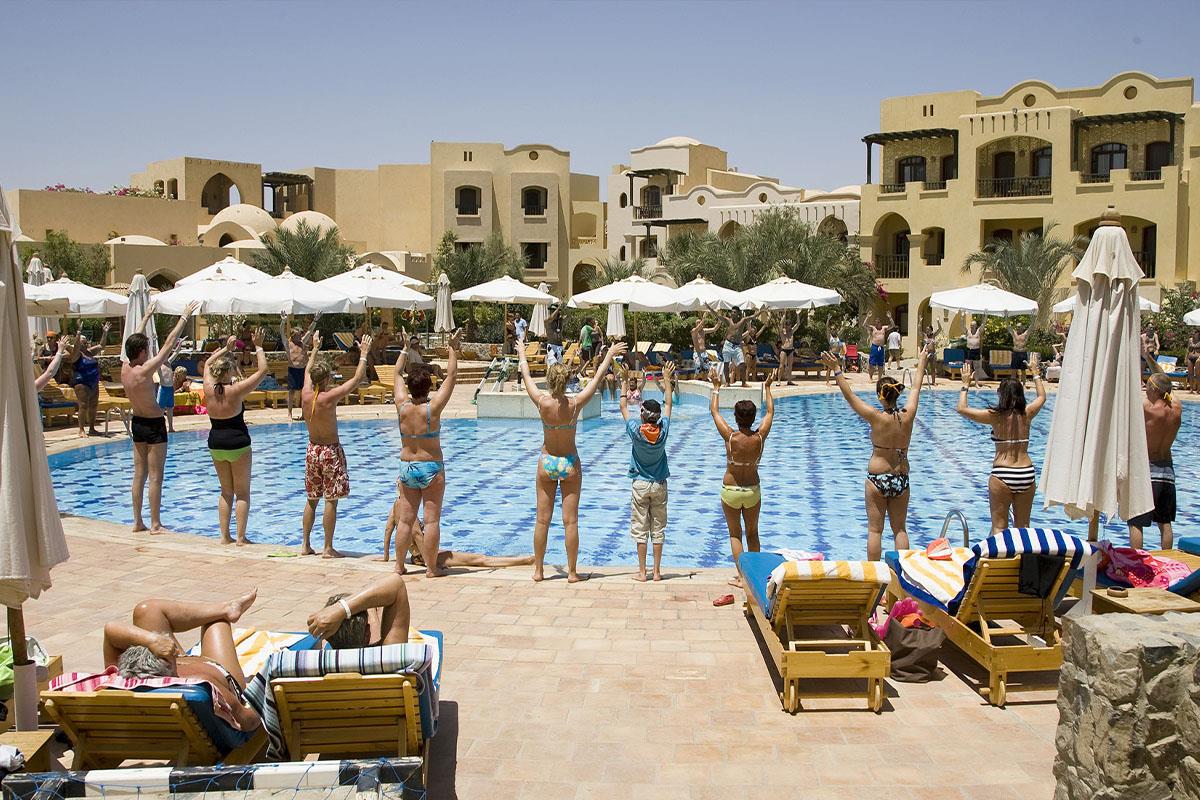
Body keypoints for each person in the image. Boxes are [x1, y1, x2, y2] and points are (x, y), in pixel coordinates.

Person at [518, 332, 626, 582]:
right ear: (567, 381)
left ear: (549, 381)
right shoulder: (575, 404)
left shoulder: (542, 403)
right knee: (570, 522)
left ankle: (538, 571)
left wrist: (522, 352)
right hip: (569, 463)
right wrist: (609, 355)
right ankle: (572, 572)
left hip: (547, 462)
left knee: (542, 521)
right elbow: (597, 379)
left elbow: (526, 376)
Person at [820, 342, 933, 561]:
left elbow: (850, 397)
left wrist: (837, 369)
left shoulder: (876, 417)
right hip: (901, 478)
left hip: (877, 478)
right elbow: (917, 387)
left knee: (875, 531)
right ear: (896, 394)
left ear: (881, 396)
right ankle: (902, 573)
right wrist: (922, 360)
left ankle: (875, 574)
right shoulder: (908, 415)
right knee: (900, 530)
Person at [100, 591, 261, 733]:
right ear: (170, 663)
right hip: (219, 669)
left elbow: (110, 630)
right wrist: (264, 697)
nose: (174, 652)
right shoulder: (205, 686)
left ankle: (227, 608)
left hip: (165, 673)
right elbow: (248, 720)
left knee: (147, 610)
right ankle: (225, 611)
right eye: (172, 655)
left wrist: (152, 641)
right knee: (217, 622)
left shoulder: (119, 680)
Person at [121, 302, 199, 533]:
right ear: (141, 352)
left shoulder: (125, 368)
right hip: (154, 424)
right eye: (146, 349)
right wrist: (184, 317)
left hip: (137, 423)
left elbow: (132, 341)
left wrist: (145, 318)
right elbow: (168, 345)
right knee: (156, 476)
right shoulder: (143, 371)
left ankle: (137, 522)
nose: (148, 352)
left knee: (139, 475)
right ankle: (155, 523)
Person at [300, 333, 374, 559]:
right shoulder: (329, 397)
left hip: (312, 450)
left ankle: (305, 544)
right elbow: (357, 379)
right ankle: (328, 547)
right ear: (325, 379)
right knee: (330, 500)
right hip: (329, 451)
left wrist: (314, 348)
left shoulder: (305, 394)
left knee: (312, 499)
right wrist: (363, 354)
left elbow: (307, 370)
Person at [393, 329, 460, 577]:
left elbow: (396, 373)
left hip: (407, 467)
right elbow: (452, 375)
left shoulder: (402, 406)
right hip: (430, 467)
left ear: (410, 387)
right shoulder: (433, 409)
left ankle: (399, 566)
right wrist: (452, 348)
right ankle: (431, 569)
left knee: (405, 520)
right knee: (431, 521)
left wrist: (404, 348)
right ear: (429, 387)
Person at [955, 357, 1047, 534]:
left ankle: (999, 554)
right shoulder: (1027, 413)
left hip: (1003, 473)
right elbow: (1042, 397)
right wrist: (1035, 373)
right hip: (1026, 473)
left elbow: (962, 409)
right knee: (1023, 528)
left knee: (999, 527)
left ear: (1001, 395)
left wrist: (965, 385)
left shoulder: (995, 416)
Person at [708, 367, 775, 587]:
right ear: (753, 417)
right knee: (753, 533)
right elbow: (770, 413)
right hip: (752, 490)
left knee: (735, 534)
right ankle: (753, 578)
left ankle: (741, 577)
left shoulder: (730, 437)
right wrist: (767, 388)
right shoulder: (760, 437)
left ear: (736, 418)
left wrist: (716, 388)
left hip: (731, 490)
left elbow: (714, 412)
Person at [204, 330, 268, 545]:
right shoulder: (236, 390)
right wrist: (258, 346)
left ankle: (224, 536)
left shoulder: (208, 388)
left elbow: (207, 363)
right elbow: (263, 370)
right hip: (238, 443)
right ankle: (240, 537)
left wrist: (225, 349)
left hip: (216, 443)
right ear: (229, 371)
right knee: (242, 493)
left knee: (225, 492)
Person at [621, 362, 675, 582]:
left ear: (643, 415)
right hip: (659, 484)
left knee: (640, 529)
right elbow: (669, 403)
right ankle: (657, 572)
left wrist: (623, 380)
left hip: (640, 484)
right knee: (658, 529)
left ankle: (642, 572)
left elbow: (623, 407)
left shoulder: (635, 430)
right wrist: (666, 379)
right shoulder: (663, 431)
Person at [378, 511, 534, 573]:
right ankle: (526, 560)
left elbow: (388, 531)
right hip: (426, 557)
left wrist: (386, 557)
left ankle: (522, 559)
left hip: (417, 557)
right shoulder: (406, 508)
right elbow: (418, 535)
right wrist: (430, 563)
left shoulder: (395, 508)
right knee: (480, 559)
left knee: (478, 559)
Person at [1128, 373, 1182, 550]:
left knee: (1136, 521)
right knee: (1165, 523)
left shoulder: (1146, 408)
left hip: (1147, 472)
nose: (1146, 390)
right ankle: (1167, 559)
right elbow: (1166, 385)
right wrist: (1152, 364)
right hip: (1167, 473)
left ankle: (1136, 560)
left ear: (1154, 390)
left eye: (1148, 387)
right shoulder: (1177, 407)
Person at [305, 574, 411, 649]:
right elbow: (397, 584)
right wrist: (341, 609)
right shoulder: (388, 658)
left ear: (327, 637)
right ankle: (371, 608)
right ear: (368, 634)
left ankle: (371, 609)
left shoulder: (316, 664)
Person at [65, 322, 111, 437]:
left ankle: (92, 428)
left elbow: (101, 346)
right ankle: (81, 429)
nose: (86, 345)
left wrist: (105, 333)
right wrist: (78, 333)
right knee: (83, 405)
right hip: (82, 383)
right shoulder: (76, 355)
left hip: (93, 383)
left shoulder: (90, 352)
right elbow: (76, 348)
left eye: (86, 343)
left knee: (94, 406)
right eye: (83, 343)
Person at [280, 313, 321, 421]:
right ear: (293, 335)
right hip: (293, 370)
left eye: (300, 335)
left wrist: (315, 320)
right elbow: (281, 333)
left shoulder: (302, 342)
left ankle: (304, 414)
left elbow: (310, 330)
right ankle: (289, 414)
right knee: (291, 392)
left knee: (304, 391)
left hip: (303, 370)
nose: (300, 337)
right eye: (298, 335)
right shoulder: (288, 344)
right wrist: (283, 321)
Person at [711, 307, 758, 386]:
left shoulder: (742, 321)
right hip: (728, 345)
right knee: (726, 364)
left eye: (734, 312)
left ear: (738, 314)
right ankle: (727, 382)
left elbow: (753, 316)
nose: (732, 313)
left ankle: (743, 383)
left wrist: (761, 311)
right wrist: (710, 308)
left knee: (742, 364)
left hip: (737, 346)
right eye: (732, 312)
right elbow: (718, 315)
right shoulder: (728, 320)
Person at [161, 366, 190, 433]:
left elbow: (187, 390)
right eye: (184, 374)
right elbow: (172, 392)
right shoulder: (172, 381)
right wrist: (181, 389)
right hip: (169, 395)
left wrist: (186, 386)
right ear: (179, 375)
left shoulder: (185, 380)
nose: (185, 375)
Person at [863, 313, 891, 381]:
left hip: (881, 348)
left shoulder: (884, 328)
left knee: (880, 364)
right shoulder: (873, 328)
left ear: (880, 323)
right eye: (876, 322)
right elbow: (864, 325)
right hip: (874, 347)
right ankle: (870, 377)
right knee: (872, 364)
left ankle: (879, 378)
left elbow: (892, 325)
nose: (876, 323)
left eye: (878, 322)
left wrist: (890, 318)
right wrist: (867, 317)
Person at [965, 314, 987, 386]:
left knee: (976, 368)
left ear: (976, 326)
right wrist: (962, 317)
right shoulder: (968, 332)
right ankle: (967, 383)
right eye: (971, 325)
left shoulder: (978, 331)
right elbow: (962, 326)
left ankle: (976, 383)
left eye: (973, 325)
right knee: (968, 368)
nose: (971, 326)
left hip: (976, 350)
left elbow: (984, 323)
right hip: (969, 350)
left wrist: (986, 315)